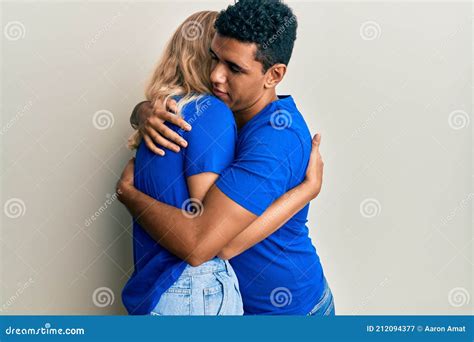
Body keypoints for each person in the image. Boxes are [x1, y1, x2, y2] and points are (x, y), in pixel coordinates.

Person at [118, 0, 333, 315]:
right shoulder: (222, 113)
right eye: (214, 58)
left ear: (273, 75)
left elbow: (213, 245)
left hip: (292, 313)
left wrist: (130, 195)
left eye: (234, 68)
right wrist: (143, 112)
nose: (217, 75)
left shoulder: (275, 140)